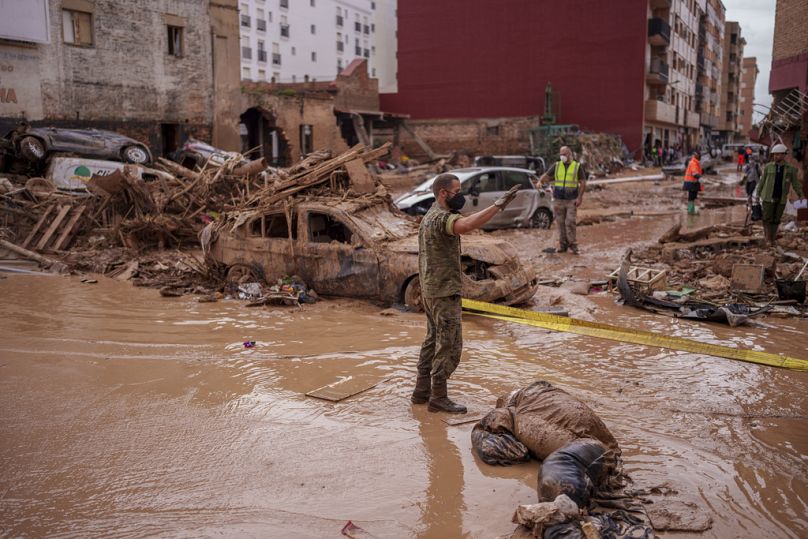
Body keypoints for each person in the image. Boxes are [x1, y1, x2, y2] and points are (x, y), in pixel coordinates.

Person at [411, 174, 520, 413]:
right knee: (448, 343)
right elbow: (467, 225)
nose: (460, 195)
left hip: (430, 289)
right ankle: (438, 397)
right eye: (457, 190)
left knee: (432, 339)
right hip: (443, 290)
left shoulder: (429, 214)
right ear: (443, 193)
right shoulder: (441, 218)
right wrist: (497, 206)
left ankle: (421, 391)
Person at [536, 146, 587, 254]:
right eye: (561, 154)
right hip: (558, 200)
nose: (562, 156)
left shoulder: (576, 166)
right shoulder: (557, 165)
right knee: (560, 223)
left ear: (569, 154)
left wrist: (580, 197)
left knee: (570, 222)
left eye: (564, 154)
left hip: (571, 200)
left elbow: (582, 182)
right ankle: (563, 245)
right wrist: (540, 181)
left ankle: (573, 245)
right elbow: (546, 175)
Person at [755, 143, 805, 248]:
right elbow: (762, 181)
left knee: (776, 219)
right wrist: (757, 194)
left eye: (778, 154)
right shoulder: (768, 167)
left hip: (781, 198)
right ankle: (767, 239)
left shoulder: (790, 169)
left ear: (783, 155)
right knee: (767, 218)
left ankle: (772, 240)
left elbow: (795, 183)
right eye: (774, 155)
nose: (776, 157)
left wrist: (801, 194)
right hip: (768, 197)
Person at [683, 150, 703, 215]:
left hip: (694, 182)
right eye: (699, 155)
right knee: (691, 197)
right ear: (696, 155)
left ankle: (692, 210)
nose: (700, 157)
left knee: (694, 197)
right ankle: (690, 211)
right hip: (691, 183)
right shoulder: (693, 163)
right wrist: (700, 178)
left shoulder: (696, 162)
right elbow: (695, 173)